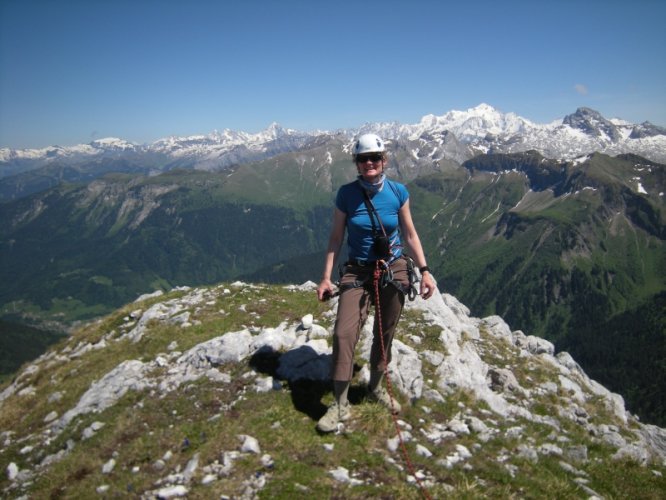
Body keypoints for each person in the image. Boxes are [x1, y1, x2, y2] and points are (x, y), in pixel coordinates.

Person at [316, 133, 437, 433]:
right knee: (344, 334)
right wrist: (326, 278)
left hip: (393, 268)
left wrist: (425, 270)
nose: (369, 163)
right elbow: (335, 238)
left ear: (384, 161)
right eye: (362, 158)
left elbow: (409, 234)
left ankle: (375, 388)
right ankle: (340, 403)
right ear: (356, 163)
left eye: (374, 158)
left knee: (385, 332)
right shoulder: (346, 194)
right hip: (357, 271)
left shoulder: (398, 192)